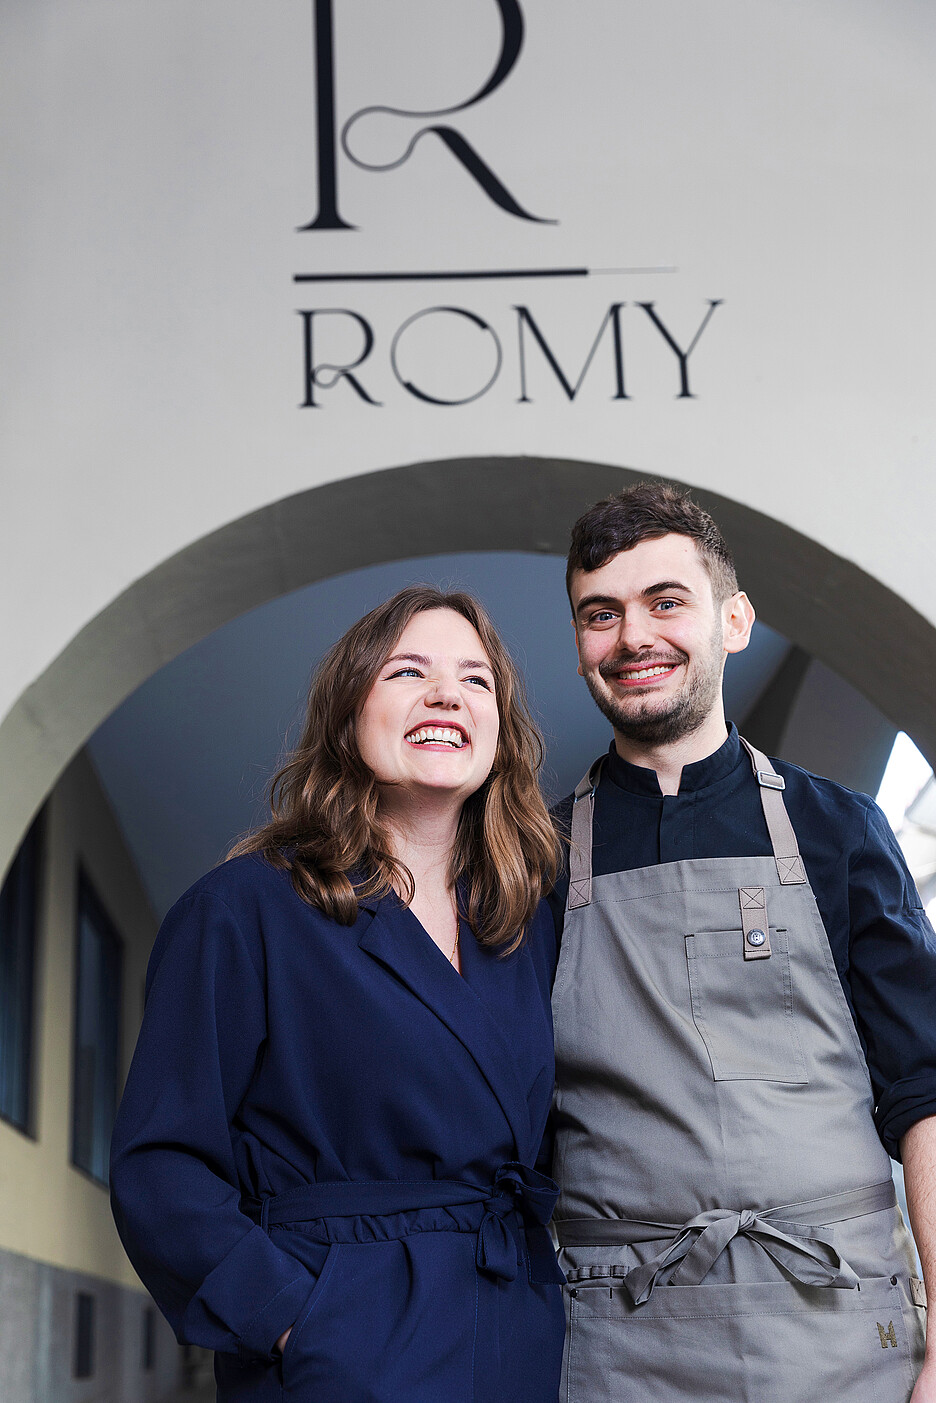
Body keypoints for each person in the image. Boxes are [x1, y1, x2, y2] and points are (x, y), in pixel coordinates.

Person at [110, 585, 566, 1403]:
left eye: (475, 679)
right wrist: (298, 1320)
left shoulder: (526, 925)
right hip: (338, 1353)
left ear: (500, 727)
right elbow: (162, 1167)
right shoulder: (243, 909)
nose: (446, 694)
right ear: (349, 709)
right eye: (408, 671)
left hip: (511, 1342)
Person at [548, 482, 934, 1402]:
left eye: (665, 601)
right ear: (580, 644)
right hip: (618, 1345)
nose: (632, 637)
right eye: (601, 613)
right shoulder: (535, 856)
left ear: (735, 620)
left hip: (841, 1334)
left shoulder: (839, 829)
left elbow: (926, 1096)